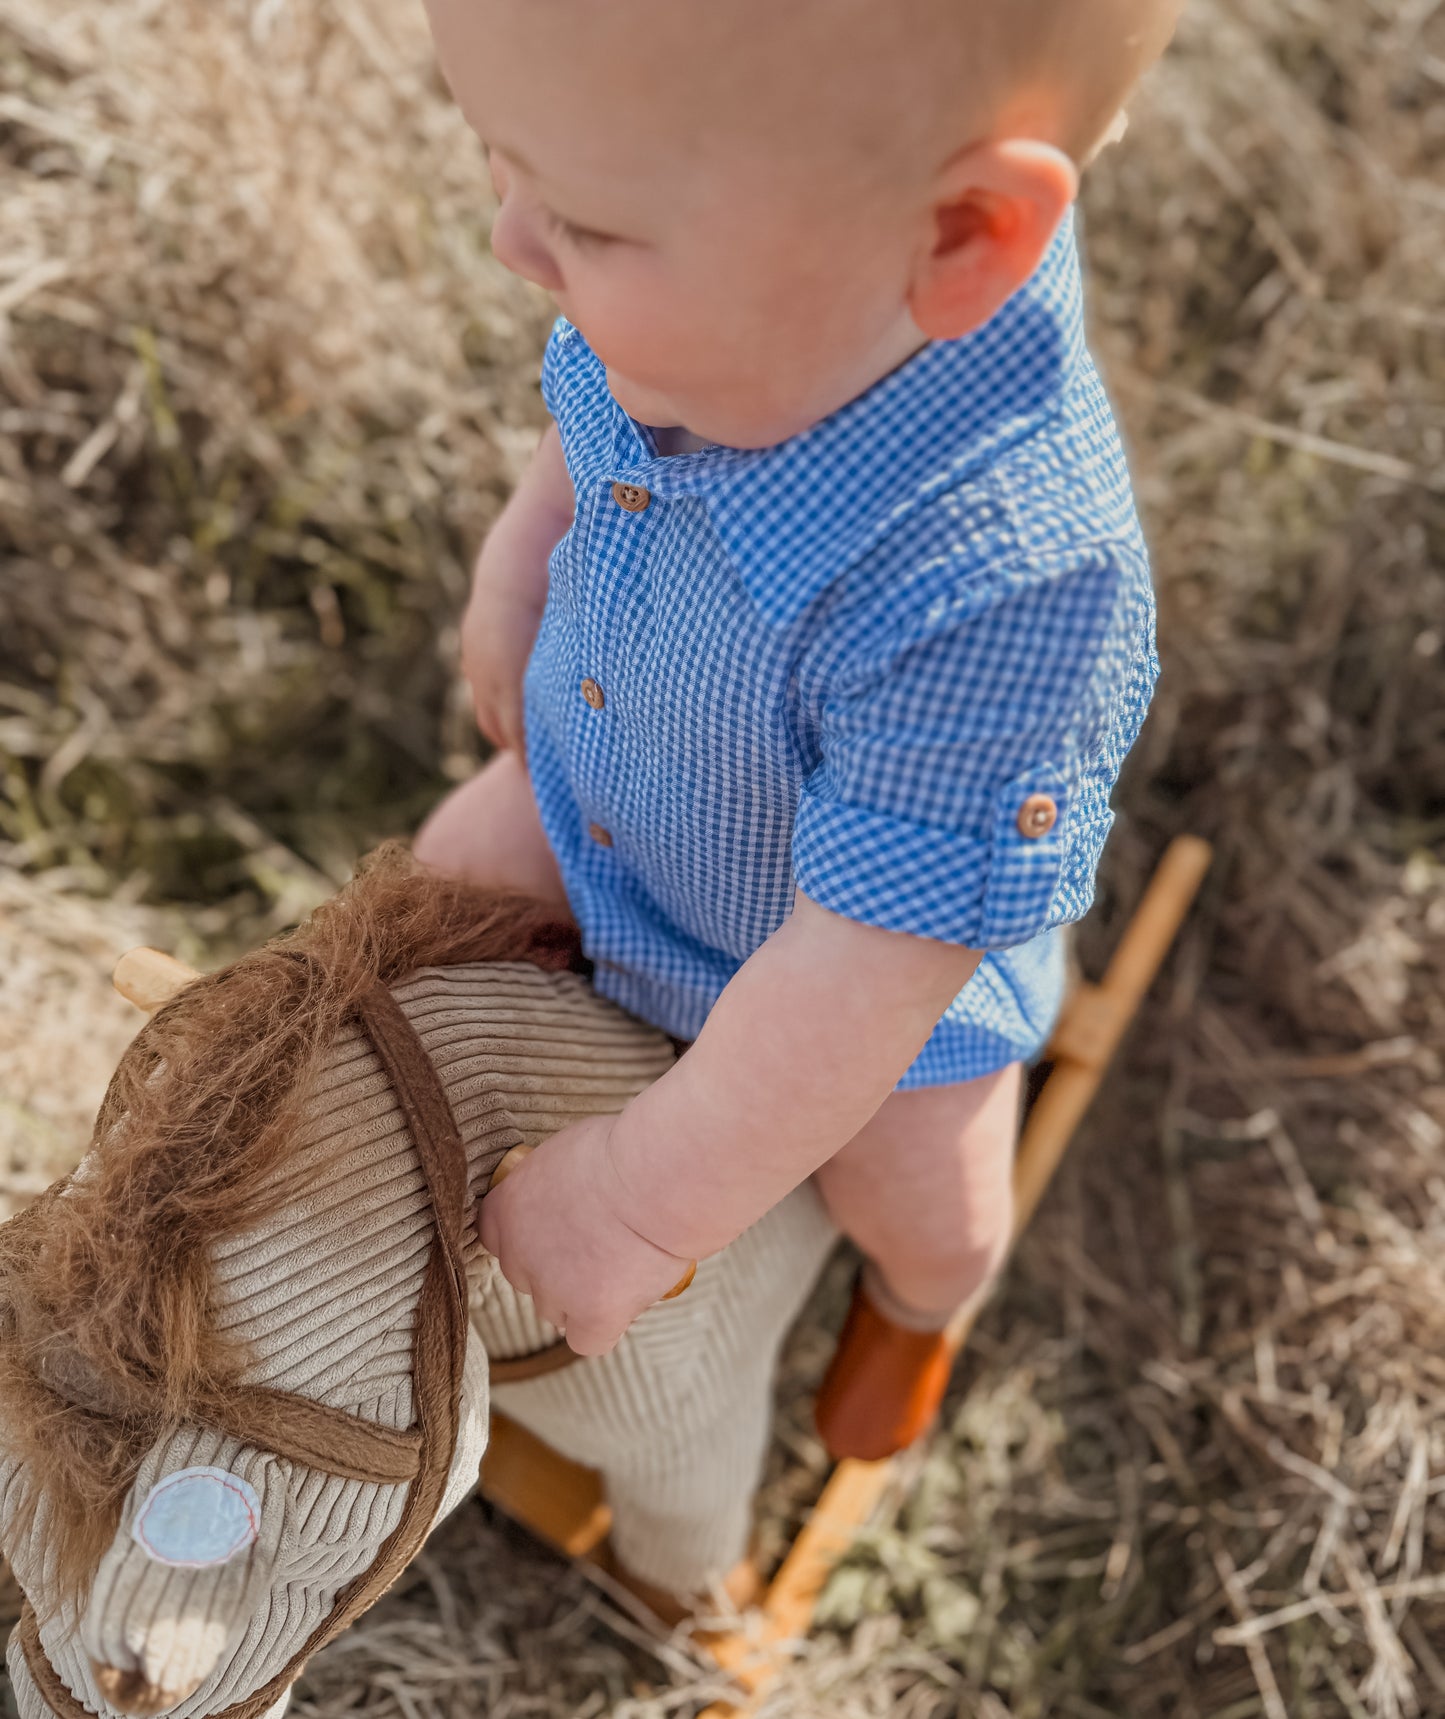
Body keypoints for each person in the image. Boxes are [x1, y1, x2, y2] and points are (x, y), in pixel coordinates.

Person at [413, 0, 1182, 1456]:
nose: (513, 241)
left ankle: (919, 1307)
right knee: (427, 891)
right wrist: (520, 561)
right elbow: (591, 415)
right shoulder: (756, 300)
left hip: (858, 980)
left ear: (964, 239)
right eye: (497, 163)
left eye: (583, 219)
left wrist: (641, 1194)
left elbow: (862, 971)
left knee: (925, 1202)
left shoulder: (1007, 584)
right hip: (608, 794)